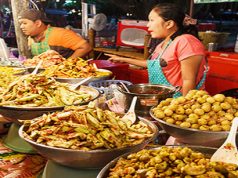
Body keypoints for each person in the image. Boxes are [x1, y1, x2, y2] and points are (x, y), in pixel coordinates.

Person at [107, 3, 208, 97]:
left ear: (169, 24)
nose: (147, 25)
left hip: (180, 102)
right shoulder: (163, 44)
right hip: (163, 101)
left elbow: (189, 81)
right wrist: (122, 59)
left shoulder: (186, 41)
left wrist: (184, 108)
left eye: (152, 20)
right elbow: (154, 65)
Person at [18, 9, 92, 59]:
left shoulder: (60, 34)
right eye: (20, 24)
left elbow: (86, 47)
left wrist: (67, 63)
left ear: (38, 23)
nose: (21, 27)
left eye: (25, 23)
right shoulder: (30, 39)